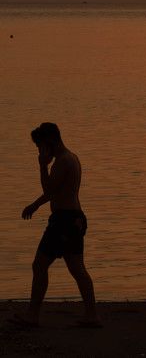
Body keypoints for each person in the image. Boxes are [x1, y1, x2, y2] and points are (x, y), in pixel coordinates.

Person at [10, 122, 101, 328]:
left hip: (64, 221)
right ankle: (92, 314)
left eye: (41, 146)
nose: (40, 151)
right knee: (77, 268)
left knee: (40, 265)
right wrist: (35, 205)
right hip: (73, 219)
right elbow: (57, 191)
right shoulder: (71, 158)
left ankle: (33, 315)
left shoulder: (62, 161)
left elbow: (50, 188)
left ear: (49, 142)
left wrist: (42, 165)